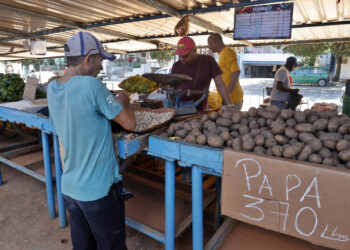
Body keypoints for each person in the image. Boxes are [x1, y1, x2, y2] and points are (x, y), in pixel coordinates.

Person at [47, 32, 136, 250]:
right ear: (88, 59)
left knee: (84, 246)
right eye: (99, 60)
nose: (101, 67)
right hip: (98, 191)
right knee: (111, 245)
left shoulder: (52, 88)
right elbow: (130, 124)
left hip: (70, 187)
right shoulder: (91, 86)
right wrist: (124, 101)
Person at [171, 36, 232, 112]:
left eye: (186, 55)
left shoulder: (208, 61)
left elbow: (220, 84)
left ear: (195, 51)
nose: (182, 58)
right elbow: (172, 88)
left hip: (199, 110)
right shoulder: (176, 66)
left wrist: (229, 105)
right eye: (180, 55)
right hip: (178, 109)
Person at [207, 33, 244, 110]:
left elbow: (236, 72)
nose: (209, 47)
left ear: (215, 42)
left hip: (232, 100)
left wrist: (227, 94)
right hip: (229, 99)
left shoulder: (227, 52)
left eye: (209, 44)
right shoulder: (223, 53)